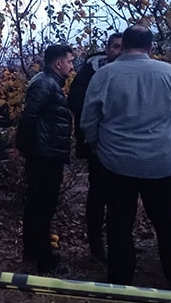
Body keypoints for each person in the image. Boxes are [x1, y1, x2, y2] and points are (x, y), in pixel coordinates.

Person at [81, 26, 171, 292]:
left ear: (124, 45)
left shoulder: (105, 75)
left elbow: (89, 119)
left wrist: (97, 147)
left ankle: (120, 281)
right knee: (168, 223)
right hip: (162, 163)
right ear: (150, 47)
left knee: (119, 224)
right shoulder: (168, 72)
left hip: (117, 162)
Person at [15, 44, 74, 274]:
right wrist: (23, 147)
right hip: (44, 156)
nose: (71, 65)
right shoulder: (44, 84)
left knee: (37, 205)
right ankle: (44, 259)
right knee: (42, 207)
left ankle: (33, 250)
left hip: (46, 153)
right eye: (69, 61)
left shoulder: (49, 83)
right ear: (58, 63)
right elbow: (29, 118)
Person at [67, 32, 123, 261]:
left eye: (123, 47)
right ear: (108, 48)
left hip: (124, 145)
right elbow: (76, 101)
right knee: (98, 194)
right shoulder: (91, 70)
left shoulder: (134, 70)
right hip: (98, 144)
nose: (119, 51)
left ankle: (120, 242)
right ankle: (96, 245)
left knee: (121, 198)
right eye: (116, 47)